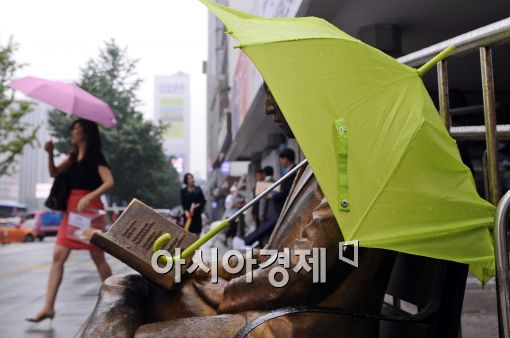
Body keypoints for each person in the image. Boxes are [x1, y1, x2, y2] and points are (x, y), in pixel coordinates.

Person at [77, 85, 395, 337]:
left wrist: (222, 291)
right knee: (120, 286)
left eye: (275, 91)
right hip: (274, 299)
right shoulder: (314, 163)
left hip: (297, 320)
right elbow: (277, 256)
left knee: (143, 327)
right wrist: (209, 266)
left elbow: (306, 270)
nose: (269, 106)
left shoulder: (349, 166)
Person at [26, 119, 114, 323]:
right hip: (72, 211)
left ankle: (116, 297)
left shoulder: (95, 156)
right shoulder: (73, 156)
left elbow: (109, 181)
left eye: (76, 129)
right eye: (73, 129)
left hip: (89, 210)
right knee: (58, 255)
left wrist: (90, 196)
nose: (73, 132)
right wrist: (49, 153)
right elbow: (54, 173)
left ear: (86, 133)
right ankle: (48, 307)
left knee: (97, 257)